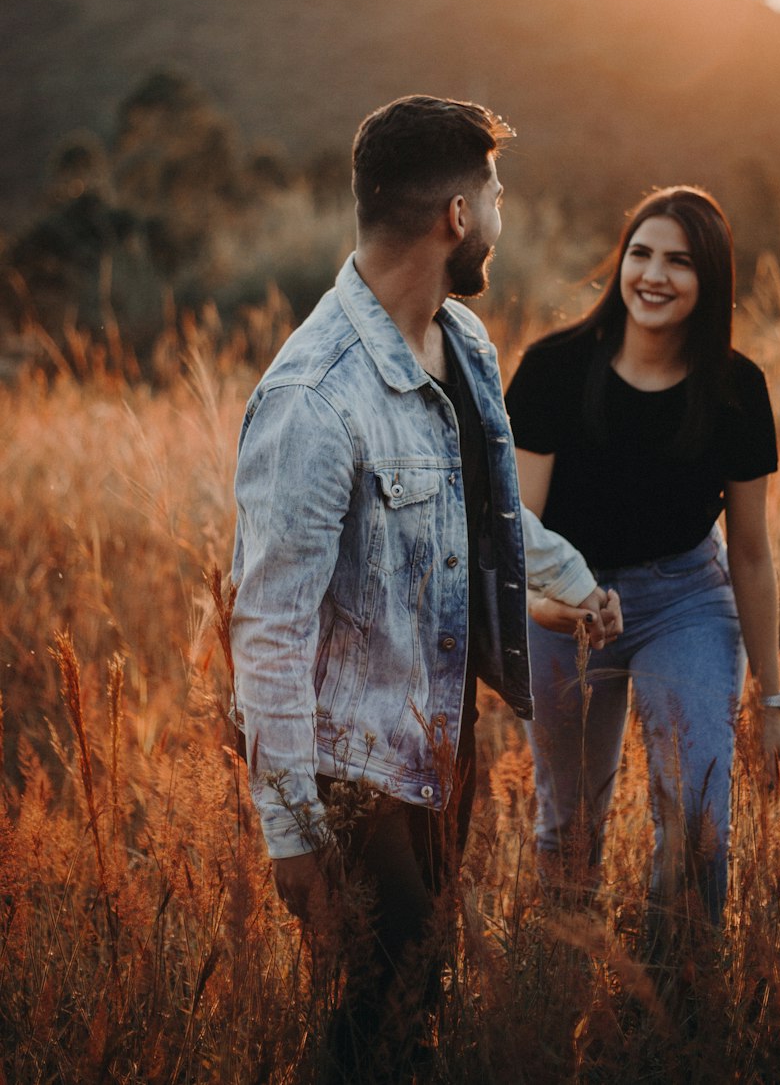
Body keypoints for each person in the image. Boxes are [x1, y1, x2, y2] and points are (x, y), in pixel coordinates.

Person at [228, 95, 620, 1077]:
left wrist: (572, 578)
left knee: (423, 988)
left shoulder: (466, 345)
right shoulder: (314, 399)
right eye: (494, 192)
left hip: (442, 732)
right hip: (352, 766)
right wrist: (290, 836)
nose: (500, 213)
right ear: (455, 214)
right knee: (379, 1011)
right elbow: (266, 631)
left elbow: (477, 511)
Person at [504, 185, 780, 934]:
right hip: (562, 602)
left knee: (699, 814)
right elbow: (516, 541)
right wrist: (560, 608)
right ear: (621, 264)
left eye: (679, 261)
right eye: (640, 253)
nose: (653, 275)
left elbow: (755, 555)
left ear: (710, 280)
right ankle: (571, 984)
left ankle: (683, 1004)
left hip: (685, 599)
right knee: (570, 824)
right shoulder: (553, 369)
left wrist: (771, 707)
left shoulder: (738, 389)